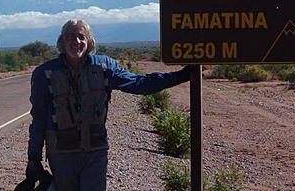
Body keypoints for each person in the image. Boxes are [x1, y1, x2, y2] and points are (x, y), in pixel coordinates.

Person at [25, 19, 191, 191]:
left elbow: (139, 83)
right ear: (62, 41)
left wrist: (180, 77)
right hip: (61, 154)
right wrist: (33, 158)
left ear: (89, 42)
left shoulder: (104, 67)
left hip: (95, 151)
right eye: (70, 37)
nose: (76, 42)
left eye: (81, 37)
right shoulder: (44, 73)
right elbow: (38, 119)